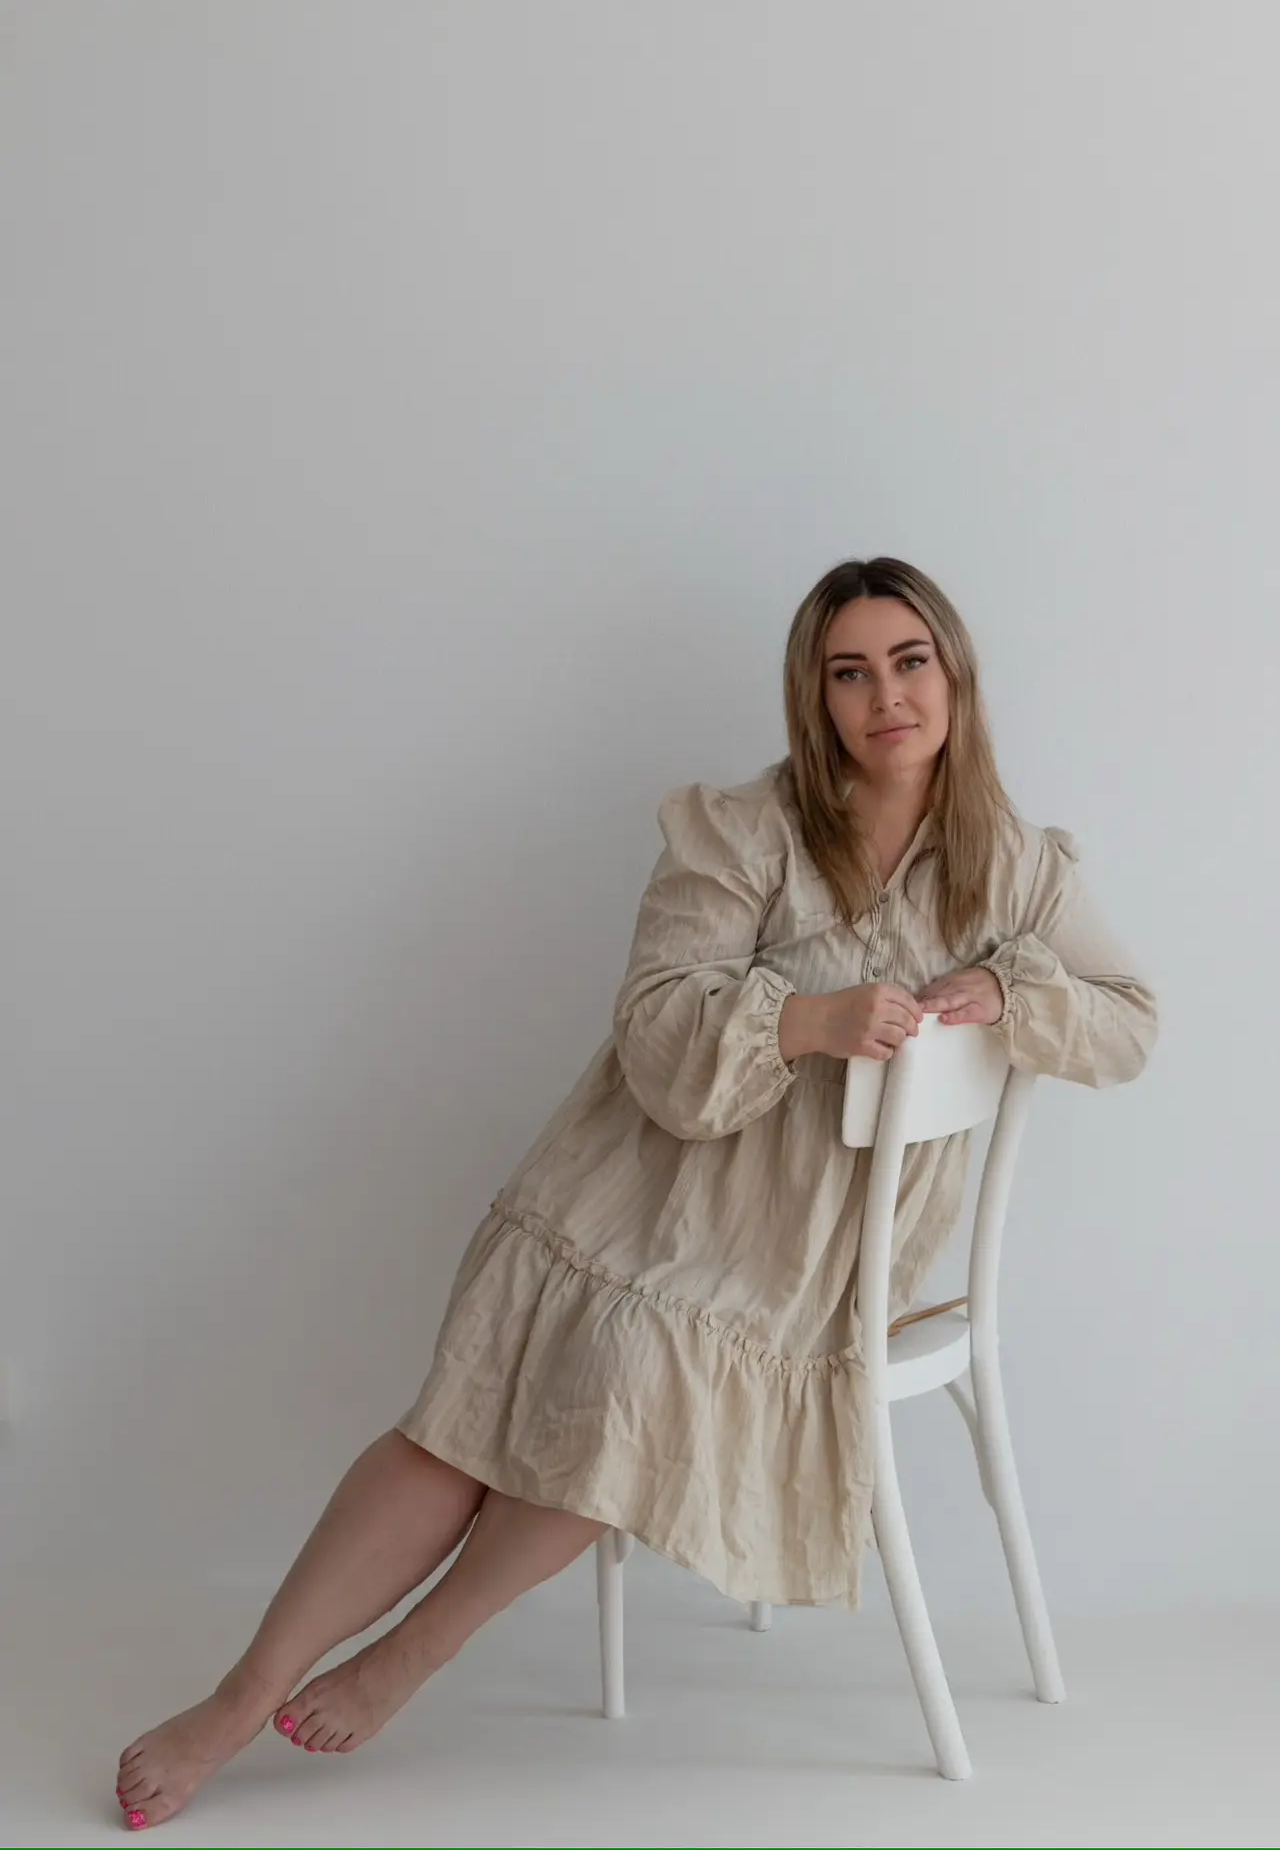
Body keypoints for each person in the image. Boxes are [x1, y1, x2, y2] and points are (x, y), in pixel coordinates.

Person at [114, 558, 1157, 1829]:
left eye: (908, 662)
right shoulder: (747, 830)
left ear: (954, 676)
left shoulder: (1017, 866)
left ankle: (416, 1649)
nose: (885, 696)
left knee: (627, 1368)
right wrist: (807, 1020)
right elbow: (654, 1027)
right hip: (629, 1192)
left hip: (799, 1263)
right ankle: (239, 1696)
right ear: (814, 696)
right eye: (849, 673)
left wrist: (1007, 991)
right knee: (459, 1422)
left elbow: (1128, 1019)